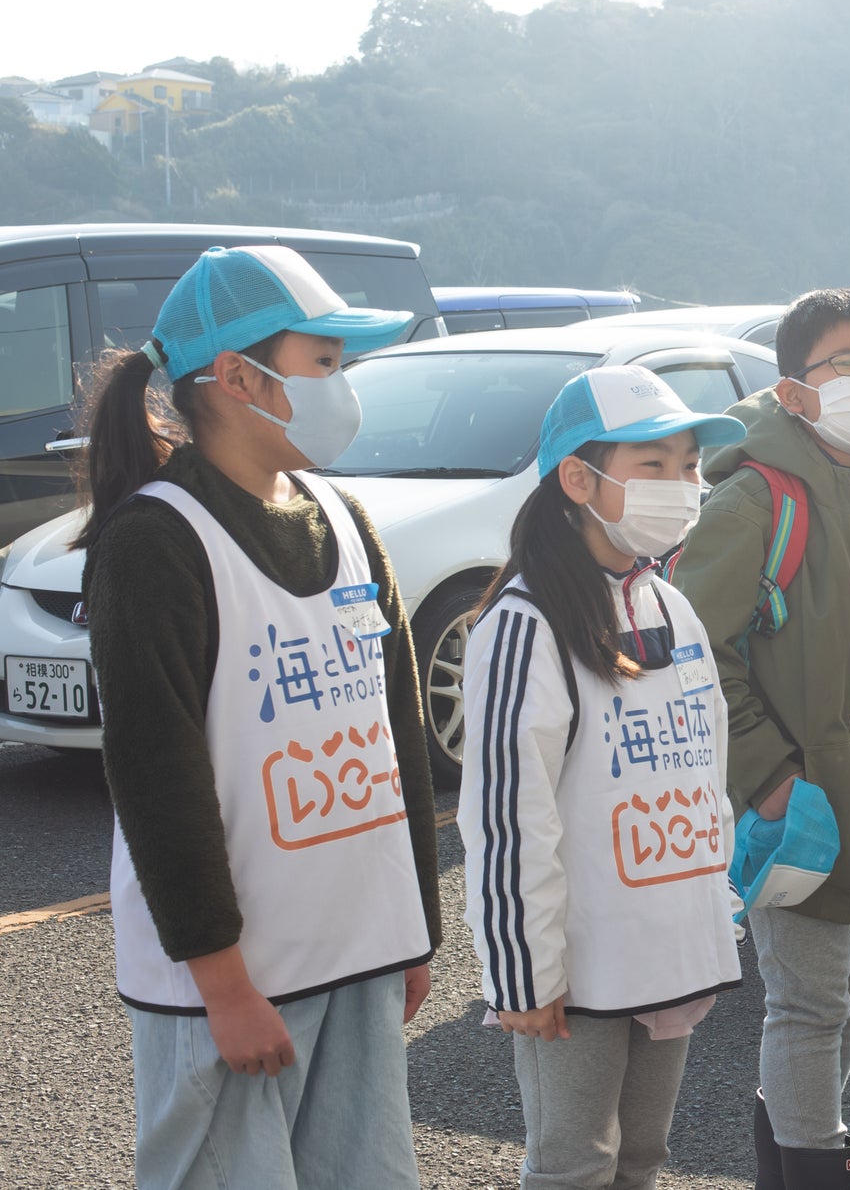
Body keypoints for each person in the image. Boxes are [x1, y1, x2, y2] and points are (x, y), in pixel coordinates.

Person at [79, 245, 440, 1189]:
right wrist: (223, 984)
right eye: (322, 361)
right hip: (233, 984)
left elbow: (398, 734)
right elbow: (157, 779)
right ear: (239, 377)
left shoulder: (344, 517)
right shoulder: (155, 540)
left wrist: (415, 930)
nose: (342, 386)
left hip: (357, 954)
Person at [672, 285, 850, 1190]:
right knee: (808, 1005)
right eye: (846, 362)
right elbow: (696, 654)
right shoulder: (757, 499)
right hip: (806, 798)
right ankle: (820, 1171)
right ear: (795, 390)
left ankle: (791, 1166)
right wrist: (767, 774)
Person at [460, 366, 747, 1190]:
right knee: (574, 1166)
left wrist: (715, 902)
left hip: (670, 939)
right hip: (579, 961)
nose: (681, 486)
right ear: (577, 479)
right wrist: (523, 971)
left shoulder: (668, 604)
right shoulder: (524, 622)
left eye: (689, 465)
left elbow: (707, 767)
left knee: (643, 1157)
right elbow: (508, 815)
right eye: (652, 465)